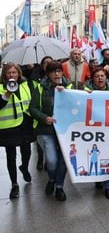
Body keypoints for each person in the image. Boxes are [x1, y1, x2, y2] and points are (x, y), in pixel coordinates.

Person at [29, 61, 71, 201]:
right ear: (48, 74)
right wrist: (44, 118)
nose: (57, 74)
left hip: (65, 131)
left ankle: (59, 187)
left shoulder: (69, 86)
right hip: (46, 130)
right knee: (52, 161)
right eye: (53, 71)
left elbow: (81, 101)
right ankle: (52, 179)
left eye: (59, 71)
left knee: (63, 160)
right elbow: (33, 108)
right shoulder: (40, 88)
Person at [84, 67, 109, 199]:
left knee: (106, 154)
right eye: (97, 76)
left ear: (106, 77)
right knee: (97, 155)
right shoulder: (85, 92)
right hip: (93, 129)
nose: (100, 78)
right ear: (92, 79)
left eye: (102, 76)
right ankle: (99, 178)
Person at [0, 63, 35, 199]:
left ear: (19, 74)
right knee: (11, 156)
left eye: (14, 73)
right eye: (9, 73)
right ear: (4, 75)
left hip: (25, 122)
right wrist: (7, 93)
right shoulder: (1, 87)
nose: (11, 75)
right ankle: (14, 184)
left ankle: (24, 167)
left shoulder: (25, 85)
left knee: (27, 151)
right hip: (8, 126)